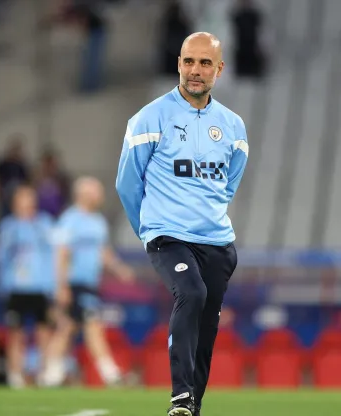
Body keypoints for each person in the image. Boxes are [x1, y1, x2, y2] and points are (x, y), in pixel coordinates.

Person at [115, 32, 249, 416]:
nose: (195, 70)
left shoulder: (234, 127)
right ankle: (179, 397)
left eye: (205, 63)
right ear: (178, 63)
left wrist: (204, 213)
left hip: (218, 243)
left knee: (206, 330)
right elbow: (127, 184)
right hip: (167, 237)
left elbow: (229, 183)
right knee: (190, 294)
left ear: (219, 69)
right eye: (189, 61)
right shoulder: (149, 117)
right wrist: (150, 229)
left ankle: (193, 407)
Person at [43, 177, 135, 387]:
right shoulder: (70, 219)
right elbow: (62, 253)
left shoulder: (98, 222)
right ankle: (109, 373)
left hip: (90, 283)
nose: (100, 197)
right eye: (97, 192)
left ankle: (50, 374)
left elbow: (103, 252)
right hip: (74, 283)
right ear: (83, 194)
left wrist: (119, 269)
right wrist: (62, 286)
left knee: (67, 328)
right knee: (92, 324)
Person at [0, 185, 56, 388]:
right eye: (22, 200)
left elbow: (54, 253)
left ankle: (43, 373)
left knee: (44, 332)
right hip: (16, 288)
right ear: (15, 204)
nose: (27, 205)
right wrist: (3, 284)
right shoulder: (8, 226)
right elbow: (2, 257)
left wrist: (53, 284)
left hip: (41, 287)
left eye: (30, 200)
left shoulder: (45, 223)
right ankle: (15, 375)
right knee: (16, 333)